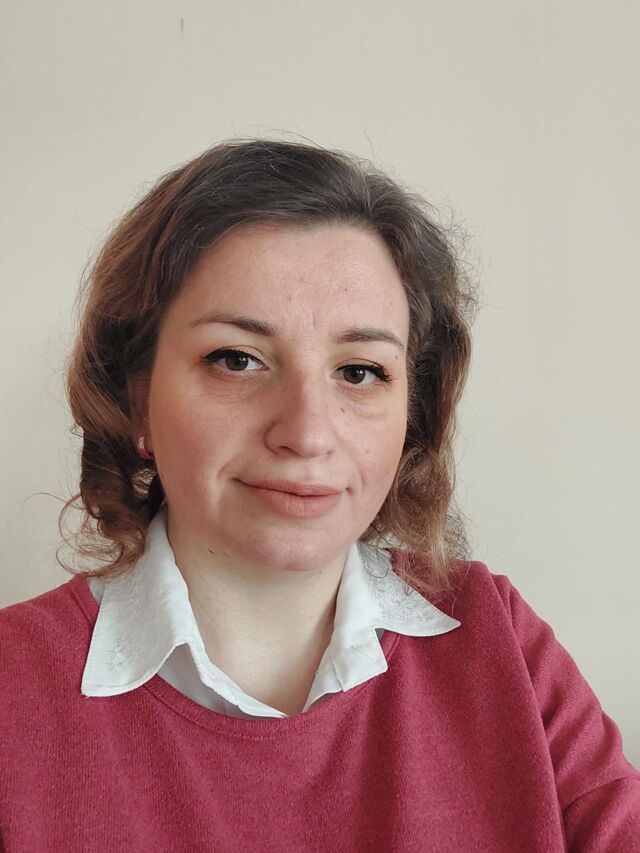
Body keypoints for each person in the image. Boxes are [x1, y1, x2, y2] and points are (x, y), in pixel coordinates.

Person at [0, 138, 638, 852]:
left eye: (360, 372)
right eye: (236, 359)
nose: (307, 433)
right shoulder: (10, 687)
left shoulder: (502, 643)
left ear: (413, 412)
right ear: (135, 396)